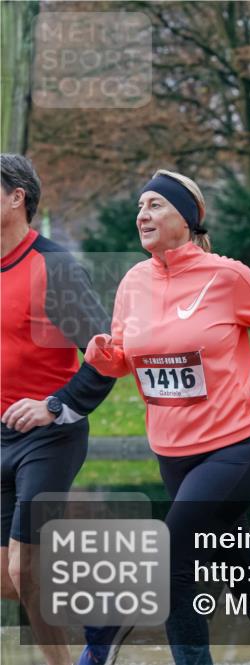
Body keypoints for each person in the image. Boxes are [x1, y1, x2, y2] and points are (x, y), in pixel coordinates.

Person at [84, 169, 250, 665]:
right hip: (172, 453)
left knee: (173, 562)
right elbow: (126, 356)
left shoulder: (226, 275)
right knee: (237, 562)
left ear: (185, 219)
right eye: (140, 206)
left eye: (155, 205)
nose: (142, 214)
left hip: (238, 446)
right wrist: (106, 356)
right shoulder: (133, 282)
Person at [1, 154, 117, 665]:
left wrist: (56, 406)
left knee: (25, 567)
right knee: (13, 576)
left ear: (16, 197)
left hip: (47, 436)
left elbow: (108, 356)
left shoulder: (55, 268)